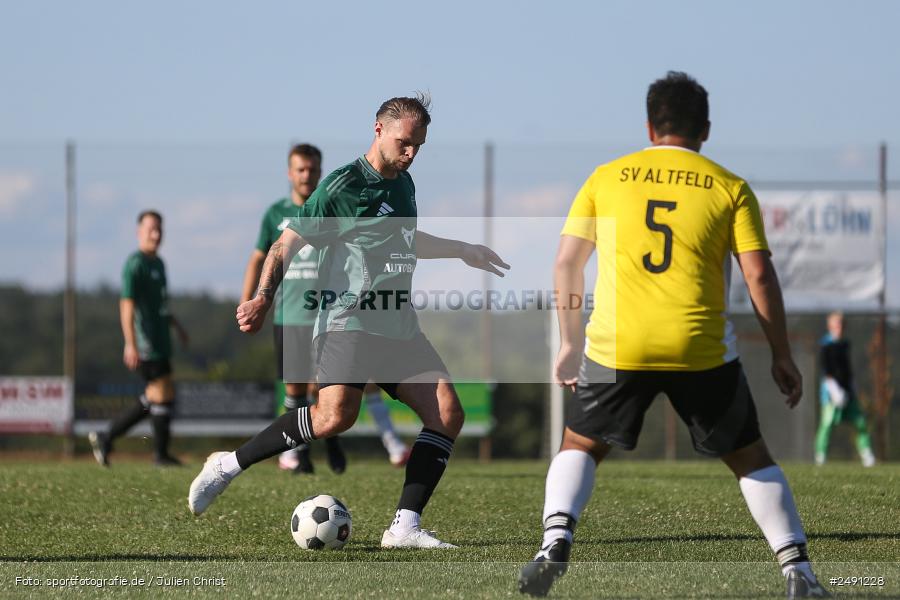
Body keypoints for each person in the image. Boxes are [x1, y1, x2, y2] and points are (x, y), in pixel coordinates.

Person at [518, 72, 829, 599]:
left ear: (649, 125)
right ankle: (797, 570)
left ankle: (554, 541)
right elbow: (758, 275)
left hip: (619, 343)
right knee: (750, 457)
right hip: (698, 345)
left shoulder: (606, 177)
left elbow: (567, 263)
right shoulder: (730, 186)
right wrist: (781, 353)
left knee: (580, 444)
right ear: (705, 129)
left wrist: (571, 342)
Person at [189, 93, 509, 549]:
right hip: (349, 319)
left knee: (447, 413)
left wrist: (462, 249)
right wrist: (262, 298)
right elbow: (285, 245)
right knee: (335, 416)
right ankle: (226, 465)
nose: (411, 153)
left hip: (398, 324)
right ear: (378, 130)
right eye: (404, 142)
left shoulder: (405, 183)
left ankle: (404, 527)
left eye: (419, 145)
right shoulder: (342, 186)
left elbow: (404, 238)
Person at [242, 143, 410, 474]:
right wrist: (251, 298)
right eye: (300, 170)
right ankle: (295, 454)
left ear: (320, 171)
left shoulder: (334, 204)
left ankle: (337, 440)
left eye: (313, 170)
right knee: (295, 388)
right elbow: (261, 257)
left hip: (331, 312)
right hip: (290, 313)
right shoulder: (275, 214)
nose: (307, 176)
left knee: (331, 389)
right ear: (290, 173)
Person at [89, 210, 188, 467]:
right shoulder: (135, 264)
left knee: (157, 395)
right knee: (161, 392)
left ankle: (107, 437)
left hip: (161, 339)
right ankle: (160, 455)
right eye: (150, 229)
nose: (156, 234)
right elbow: (127, 306)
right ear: (138, 232)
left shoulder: (159, 263)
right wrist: (130, 343)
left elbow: (160, 305)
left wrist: (177, 326)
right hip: (146, 343)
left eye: (159, 229)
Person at [814, 311, 875, 467]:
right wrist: (834, 390)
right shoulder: (825, 345)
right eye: (836, 324)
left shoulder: (845, 344)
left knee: (860, 422)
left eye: (841, 324)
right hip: (831, 394)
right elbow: (826, 370)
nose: (839, 327)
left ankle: (866, 454)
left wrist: (852, 386)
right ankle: (820, 456)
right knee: (827, 425)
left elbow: (847, 368)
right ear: (830, 326)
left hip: (848, 392)